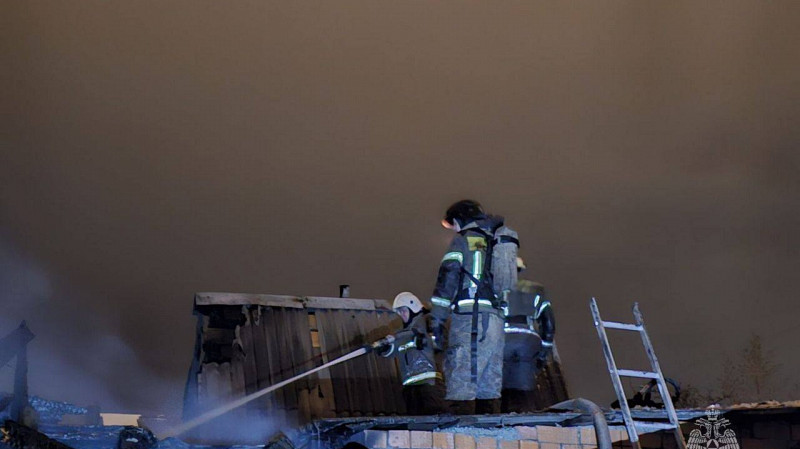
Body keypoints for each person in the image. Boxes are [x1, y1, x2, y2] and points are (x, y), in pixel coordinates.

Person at [429, 199, 519, 414]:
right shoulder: (496, 240)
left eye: (454, 224)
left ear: (460, 220)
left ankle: (460, 432)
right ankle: (488, 431)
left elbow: (447, 279)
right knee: (489, 379)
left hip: (471, 319)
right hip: (496, 320)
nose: (454, 229)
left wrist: (437, 321)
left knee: (462, 373)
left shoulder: (463, 241)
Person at [377, 292, 445, 415]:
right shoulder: (403, 333)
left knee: (433, 420)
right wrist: (384, 348)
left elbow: (417, 332)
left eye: (404, 310)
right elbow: (394, 350)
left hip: (428, 387)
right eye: (399, 312)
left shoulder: (425, 324)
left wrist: (393, 337)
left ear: (413, 308)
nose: (402, 314)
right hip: (411, 388)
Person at [501, 279, 556, 412]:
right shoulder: (538, 297)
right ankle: (524, 414)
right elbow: (549, 325)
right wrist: (543, 353)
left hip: (504, 339)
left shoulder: (501, 294)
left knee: (504, 384)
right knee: (524, 383)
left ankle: (504, 415)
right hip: (527, 342)